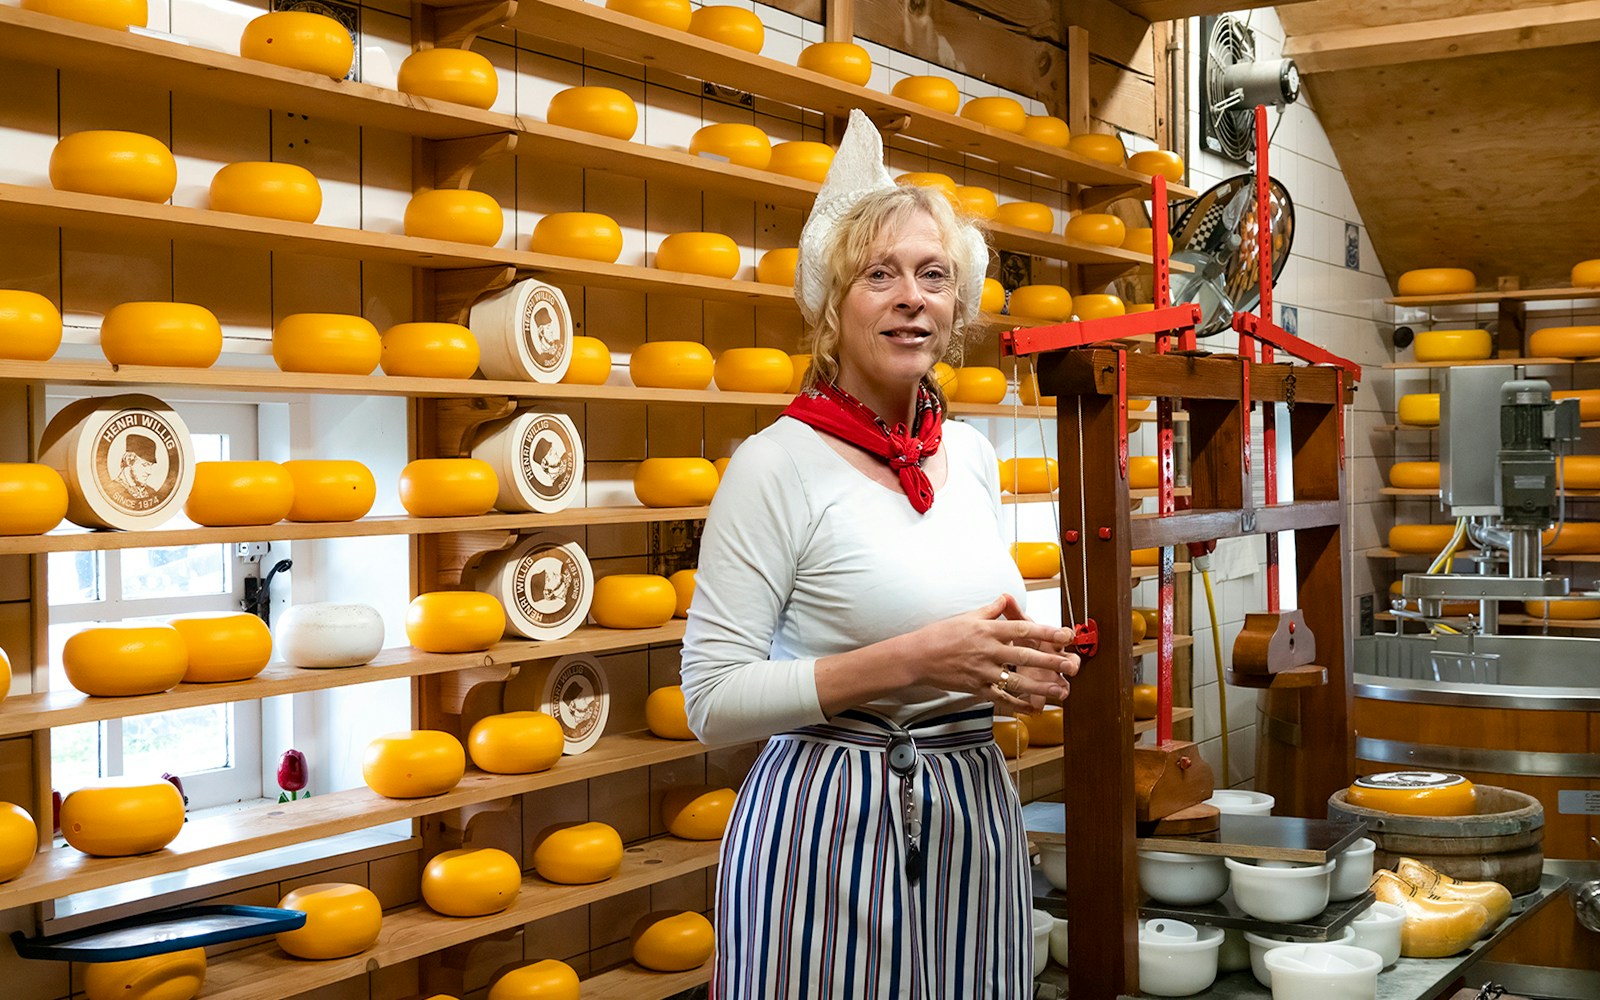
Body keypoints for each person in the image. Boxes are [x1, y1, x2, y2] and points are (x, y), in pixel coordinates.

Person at [680, 111, 1081, 999]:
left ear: (957, 304)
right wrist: (918, 657)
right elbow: (709, 700)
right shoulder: (775, 463)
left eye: (933, 275)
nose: (912, 297)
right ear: (832, 303)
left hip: (971, 810)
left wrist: (1027, 668)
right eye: (880, 275)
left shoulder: (969, 455)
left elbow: (982, 627)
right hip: (826, 824)